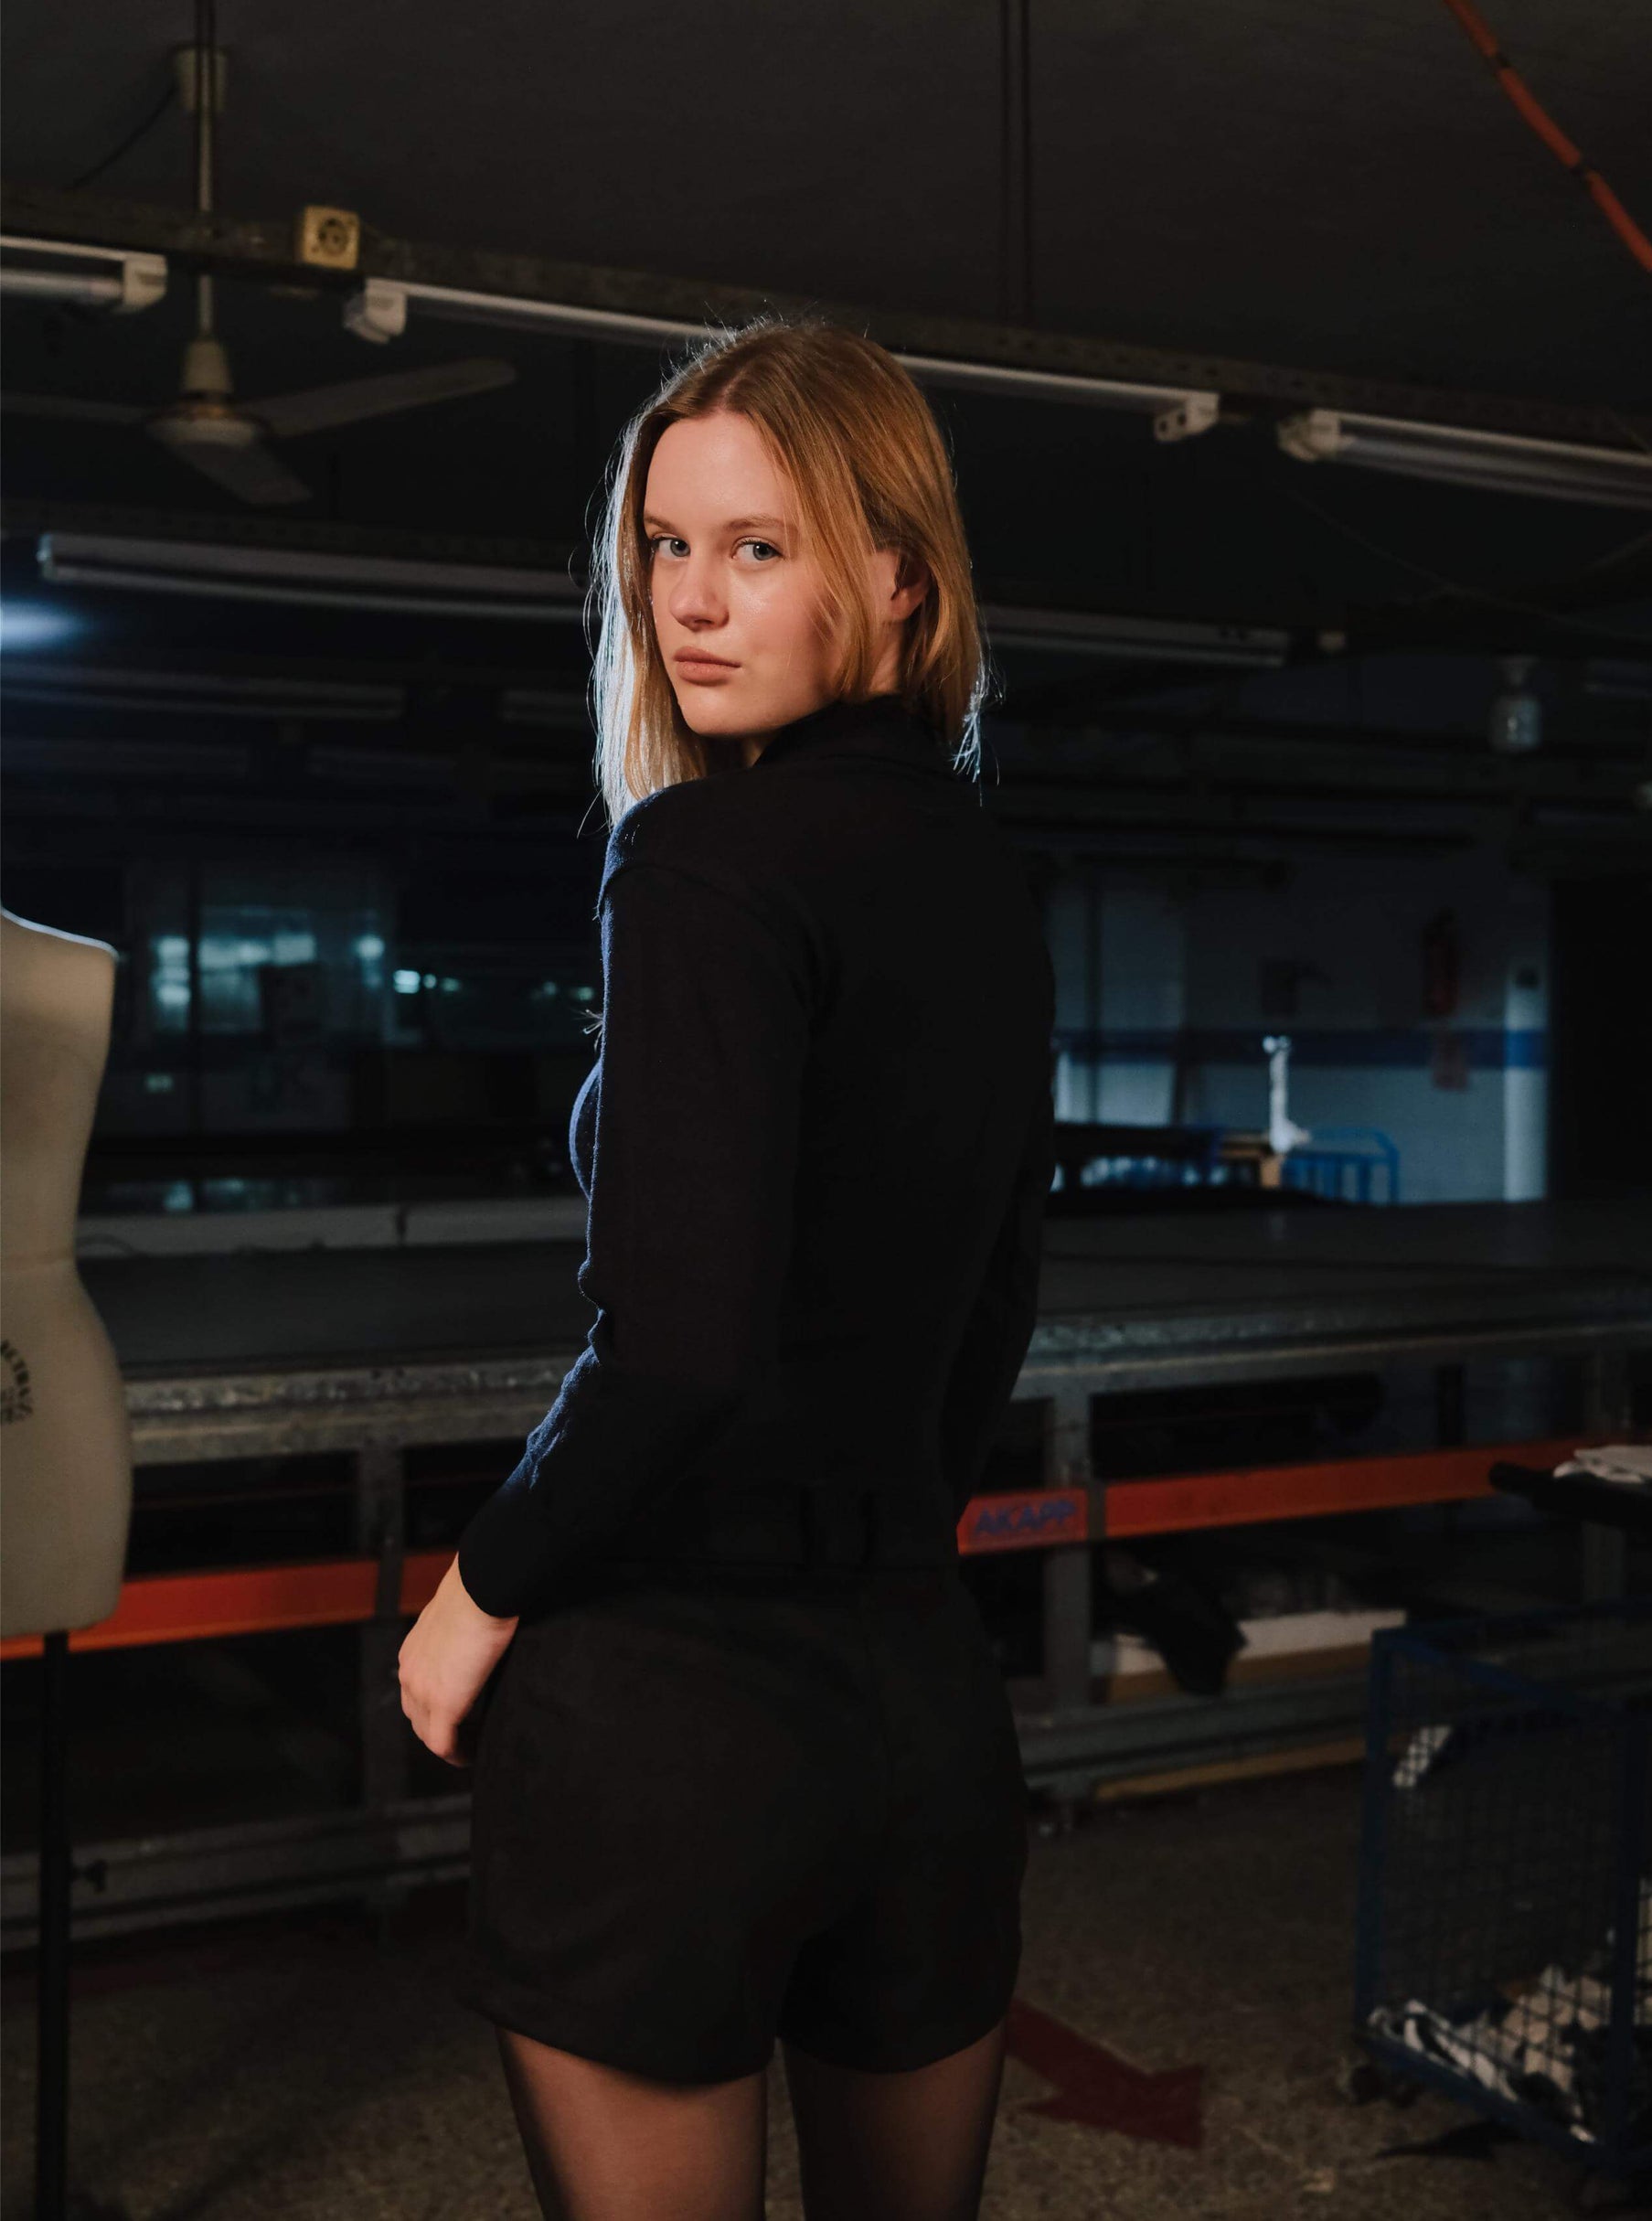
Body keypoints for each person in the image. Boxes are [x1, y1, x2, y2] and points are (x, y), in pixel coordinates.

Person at [398, 315, 1056, 2221]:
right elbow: (996, 1295)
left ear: (894, 578)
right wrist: (874, 1547)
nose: (692, 604)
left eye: (755, 549)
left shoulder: (697, 860)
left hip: (670, 1720)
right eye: (664, 550)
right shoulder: (983, 876)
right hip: (920, 1702)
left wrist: (475, 1593)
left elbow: (671, 1347)